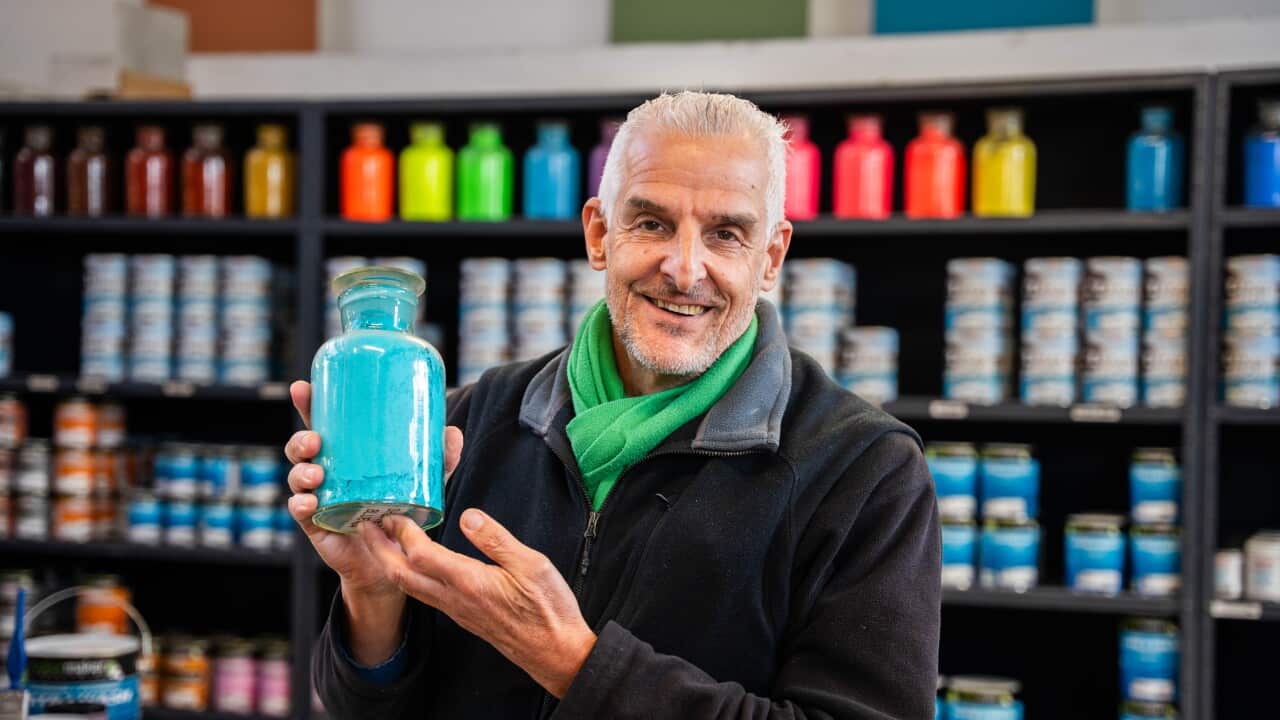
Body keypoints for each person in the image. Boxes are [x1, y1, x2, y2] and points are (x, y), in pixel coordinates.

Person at [285, 91, 940, 719]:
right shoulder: (474, 419)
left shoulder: (865, 471)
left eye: (726, 235)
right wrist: (373, 591)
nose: (685, 269)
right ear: (600, 234)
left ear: (771, 257)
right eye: (652, 222)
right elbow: (368, 706)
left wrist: (575, 665)